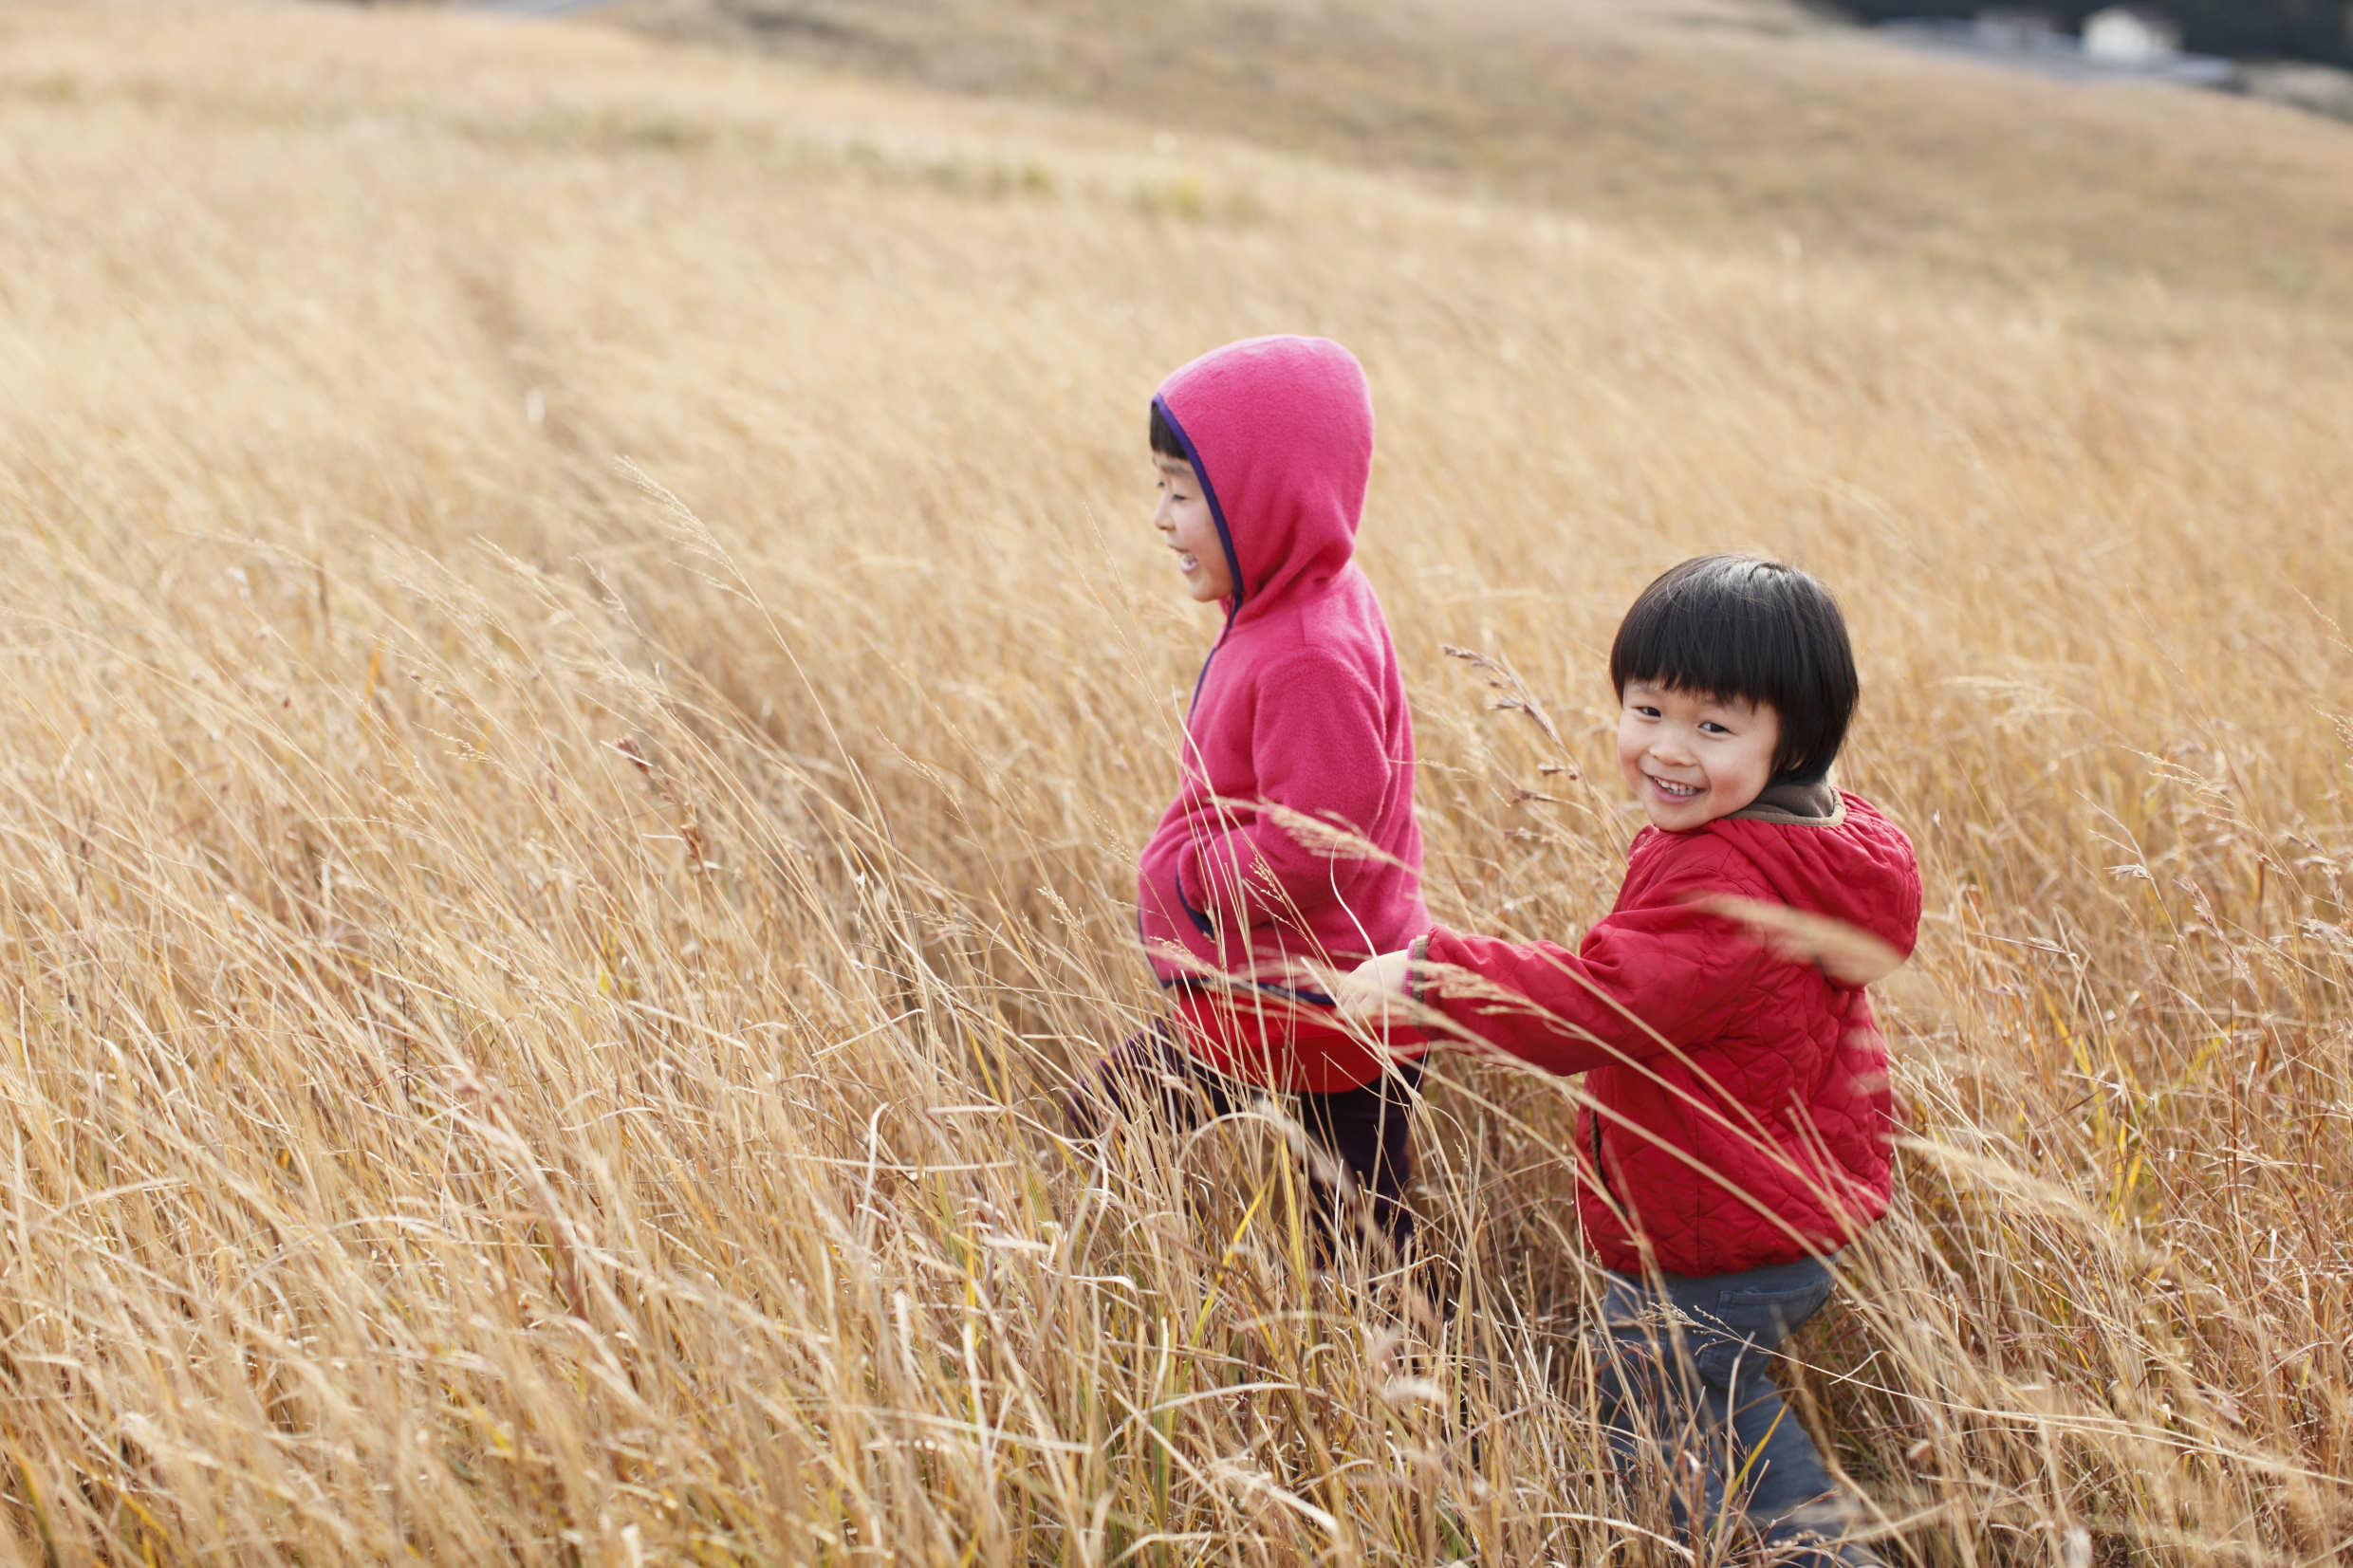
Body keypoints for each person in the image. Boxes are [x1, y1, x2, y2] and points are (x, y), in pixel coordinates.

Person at [1345, 554, 1919, 1565]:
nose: (1666, 750)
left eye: (1712, 726)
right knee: (1697, 1397)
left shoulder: (1723, 880)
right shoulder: (1809, 837)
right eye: (1646, 709)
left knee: (1666, 1406)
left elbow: (1595, 1004)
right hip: (1780, 1201)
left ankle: (1815, 1556)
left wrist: (1431, 977)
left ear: (1792, 742)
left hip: (1719, 1229)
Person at [1070, 335, 1430, 1262]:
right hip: (1298, 990)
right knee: (1355, 1227)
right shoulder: (1297, 600)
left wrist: (1195, 881)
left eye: (1180, 493)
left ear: (1262, 502)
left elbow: (1319, 846)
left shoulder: (1308, 650)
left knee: (1355, 1243)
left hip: (1307, 1000)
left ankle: (1405, 1388)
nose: (1158, 517)